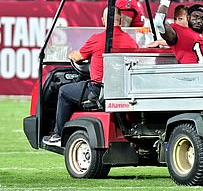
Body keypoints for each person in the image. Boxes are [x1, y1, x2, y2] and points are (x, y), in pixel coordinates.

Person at [43, 8, 138, 146]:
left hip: (98, 90)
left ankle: (57, 135)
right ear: (121, 20)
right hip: (122, 90)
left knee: (64, 91)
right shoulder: (130, 41)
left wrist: (70, 54)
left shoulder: (98, 39)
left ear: (104, 20)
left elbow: (78, 57)